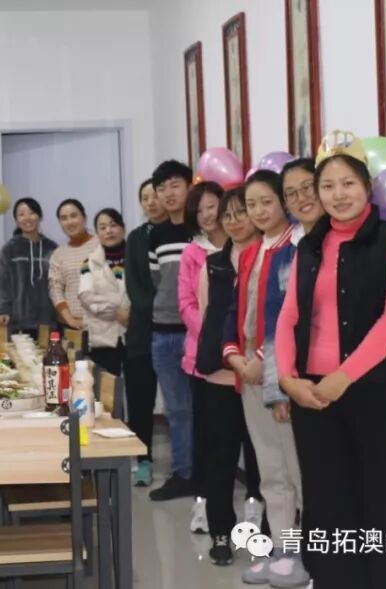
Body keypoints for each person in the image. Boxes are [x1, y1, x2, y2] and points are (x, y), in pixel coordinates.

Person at [276, 132, 386, 588]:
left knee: (383, 514)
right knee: (327, 514)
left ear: (368, 186)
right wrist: (288, 379)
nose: (338, 195)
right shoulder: (309, 246)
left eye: (348, 183)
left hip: (376, 397)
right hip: (313, 400)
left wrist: (344, 376)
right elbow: (289, 317)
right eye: (327, 186)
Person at [222, 170, 308, 586]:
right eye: (250, 205)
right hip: (250, 376)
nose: (257, 211)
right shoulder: (251, 252)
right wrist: (234, 356)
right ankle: (282, 549)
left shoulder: (295, 248)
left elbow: (289, 316)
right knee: (271, 471)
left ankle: (307, 554)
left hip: (280, 377)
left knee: (297, 471)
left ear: (284, 203)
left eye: (266, 202)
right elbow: (236, 312)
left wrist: (260, 359)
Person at [194, 187, 265, 566]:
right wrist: (232, 358)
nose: (235, 221)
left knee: (263, 461)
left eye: (242, 212)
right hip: (222, 375)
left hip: (261, 374)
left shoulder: (272, 255)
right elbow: (211, 316)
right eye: (228, 215)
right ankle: (221, 531)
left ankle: (266, 533)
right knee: (220, 457)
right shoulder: (214, 264)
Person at [178, 181, 228, 535]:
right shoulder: (192, 253)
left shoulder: (246, 245)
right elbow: (186, 305)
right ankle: (205, 507)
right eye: (200, 210)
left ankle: (253, 511)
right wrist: (215, 337)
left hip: (243, 362)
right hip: (203, 359)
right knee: (208, 439)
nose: (208, 215)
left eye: (213, 206)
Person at [147, 160, 197, 501]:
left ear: (190, 187)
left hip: (198, 332)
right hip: (163, 331)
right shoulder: (157, 234)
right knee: (176, 409)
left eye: (175, 185)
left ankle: (205, 473)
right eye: (161, 188)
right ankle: (184, 474)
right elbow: (158, 281)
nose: (168, 193)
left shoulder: (202, 227)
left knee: (204, 409)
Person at [124, 178, 164, 487]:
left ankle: (188, 465)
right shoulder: (136, 238)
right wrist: (158, 310)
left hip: (178, 330)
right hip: (142, 331)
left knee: (182, 404)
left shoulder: (183, 232)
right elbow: (134, 285)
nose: (151, 202)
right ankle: (144, 458)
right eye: (145, 197)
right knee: (140, 401)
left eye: (155, 195)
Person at [0, 198, 58, 338]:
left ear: (40, 216)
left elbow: (59, 283)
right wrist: (3, 311)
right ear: (16, 221)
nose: (27, 218)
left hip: (48, 321)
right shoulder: (9, 249)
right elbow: (2, 284)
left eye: (32, 213)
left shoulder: (52, 248)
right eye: (21, 214)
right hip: (18, 322)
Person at [78, 208, 129, 377]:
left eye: (113, 225)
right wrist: (116, 312)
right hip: (102, 339)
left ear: (123, 228)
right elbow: (86, 297)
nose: (109, 231)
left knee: (138, 389)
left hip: (134, 335)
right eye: (103, 227)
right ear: (97, 233)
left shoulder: (137, 257)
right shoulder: (89, 263)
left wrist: (133, 315)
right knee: (106, 390)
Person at [48, 199, 100, 331]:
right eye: (64, 218)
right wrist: (70, 320)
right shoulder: (59, 254)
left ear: (84, 217)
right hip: (70, 327)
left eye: (73, 216)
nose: (69, 222)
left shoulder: (101, 244)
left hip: (102, 325)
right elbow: (55, 288)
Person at [280, 158, 324, 244]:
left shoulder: (349, 239)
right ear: (285, 204)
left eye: (307, 187)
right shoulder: (287, 249)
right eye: (291, 193)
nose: (301, 198)